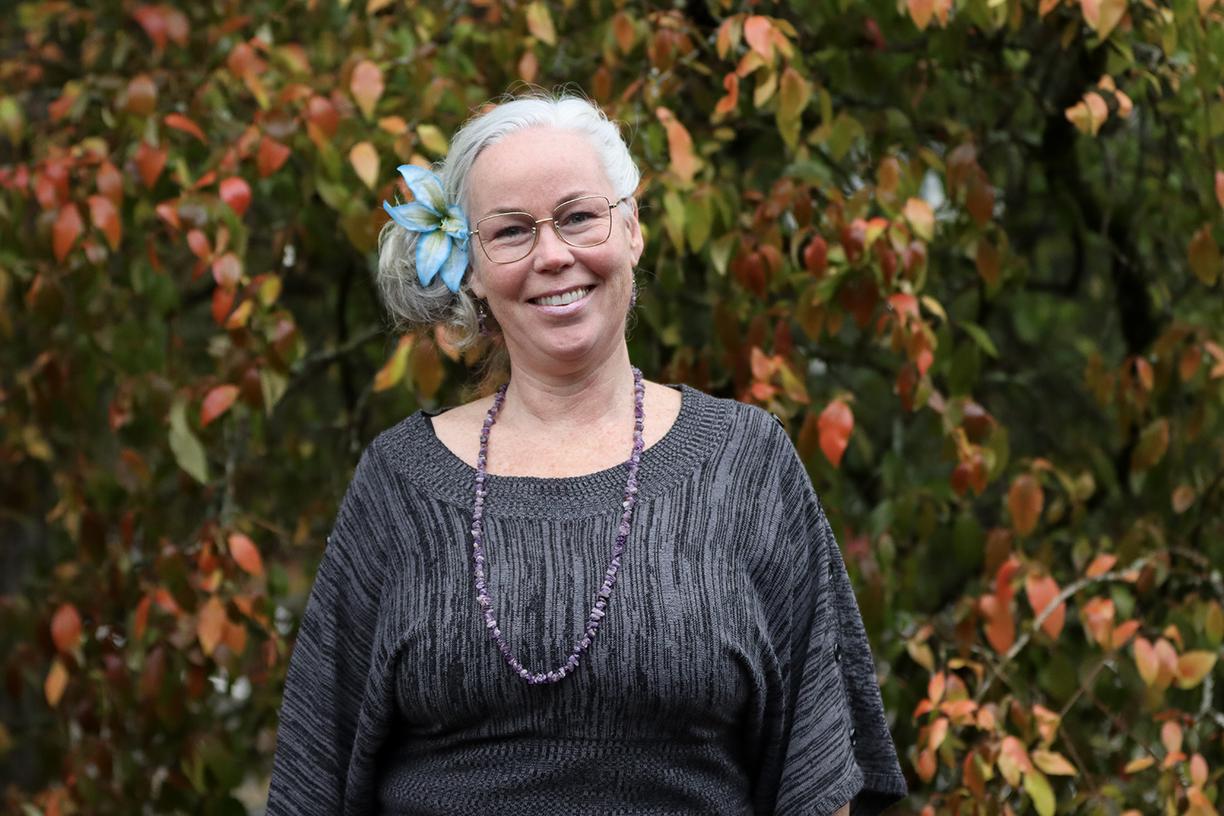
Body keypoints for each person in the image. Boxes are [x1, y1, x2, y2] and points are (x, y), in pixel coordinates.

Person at [267, 92, 907, 816]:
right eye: (510, 232)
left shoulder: (746, 464)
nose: (553, 255)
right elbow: (312, 781)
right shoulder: (400, 484)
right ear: (470, 269)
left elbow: (819, 774)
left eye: (578, 216)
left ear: (631, 228)